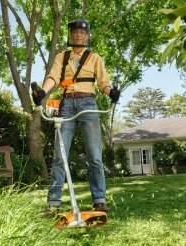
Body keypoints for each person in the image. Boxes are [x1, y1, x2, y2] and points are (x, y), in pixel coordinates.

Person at [32, 18, 120, 215]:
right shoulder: (61, 57)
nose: (78, 35)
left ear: (87, 35)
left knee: (94, 156)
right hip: (66, 104)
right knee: (59, 156)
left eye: (82, 32)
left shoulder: (95, 58)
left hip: (88, 104)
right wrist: (42, 93)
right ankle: (53, 204)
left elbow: (103, 83)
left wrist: (111, 93)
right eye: (75, 32)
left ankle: (99, 201)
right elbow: (52, 78)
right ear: (70, 34)